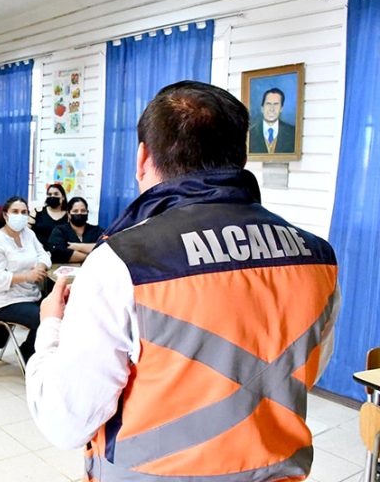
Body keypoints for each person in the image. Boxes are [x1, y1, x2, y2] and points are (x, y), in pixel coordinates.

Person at [26, 81, 340, 481]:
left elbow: (65, 420)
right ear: (240, 158)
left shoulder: (124, 262)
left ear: (142, 158)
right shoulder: (318, 257)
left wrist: (52, 327)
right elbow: (306, 364)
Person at [0, 196, 51, 362]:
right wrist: (27, 276)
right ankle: (29, 357)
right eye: (15, 212)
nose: (20, 215)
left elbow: (44, 255)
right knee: (45, 319)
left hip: (30, 295)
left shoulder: (28, 234)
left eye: (24, 212)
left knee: (59, 312)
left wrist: (40, 266)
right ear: (5, 215)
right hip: (3, 300)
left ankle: (30, 352)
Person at [47, 196, 103, 264]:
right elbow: (57, 252)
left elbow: (106, 247)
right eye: (75, 211)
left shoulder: (96, 230)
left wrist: (77, 246)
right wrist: (91, 254)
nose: (79, 213)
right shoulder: (59, 231)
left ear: (87, 213)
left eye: (83, 211)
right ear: (69, 214)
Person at [248, 87, 296, 154]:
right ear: (262, 108)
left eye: (276, 104)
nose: (272, 109)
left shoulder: (293, 133)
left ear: (281, 108)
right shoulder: (249, 134)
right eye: (268, 104)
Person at [28, 183, 67, 250]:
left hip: (61, 252)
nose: (52, 196)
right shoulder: (37, 212)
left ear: (63, 197)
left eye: (56, 194)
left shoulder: (69, 215)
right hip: (38, 250)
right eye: (49, 194)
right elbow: (26, 232)